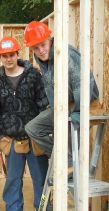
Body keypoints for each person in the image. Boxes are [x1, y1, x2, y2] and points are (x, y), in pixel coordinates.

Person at [23, 21, 99, 159]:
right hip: (63, 106)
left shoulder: (66, 54)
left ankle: (70, 164)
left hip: (84, 103)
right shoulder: (41, 58)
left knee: (70, 131)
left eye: (43, 45)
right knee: (32, 128)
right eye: (35, 47)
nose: (41, 50)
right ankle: (62, 159)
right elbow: (49, 85)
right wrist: (55, 107)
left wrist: (78, 112)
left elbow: (82, 84)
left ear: (50, 40)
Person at [0, 37, 49, 210]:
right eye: (4, 56)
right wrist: (1, 135)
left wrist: (44, 133)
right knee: (13, 182)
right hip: (12, 141)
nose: (8, 59)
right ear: (0, 57)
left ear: (18, 54)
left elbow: (43, 105)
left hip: (35, 139)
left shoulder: (33, 75)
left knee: (41, 180)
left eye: (11, 55)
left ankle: (43, 208)